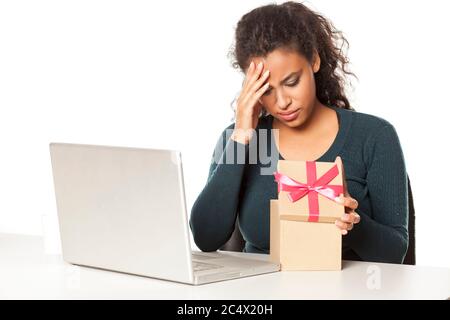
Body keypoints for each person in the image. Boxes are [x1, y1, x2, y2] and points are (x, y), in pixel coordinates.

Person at [189, 1, 409, 263]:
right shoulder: (242, 139)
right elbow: (205, 238)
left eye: (292, 82)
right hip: (261, 295)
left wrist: (351, 225)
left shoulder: (374, 136)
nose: (282, 102)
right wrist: (240, 138)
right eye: (266, 90)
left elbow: (396, 253)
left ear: (314, 60)